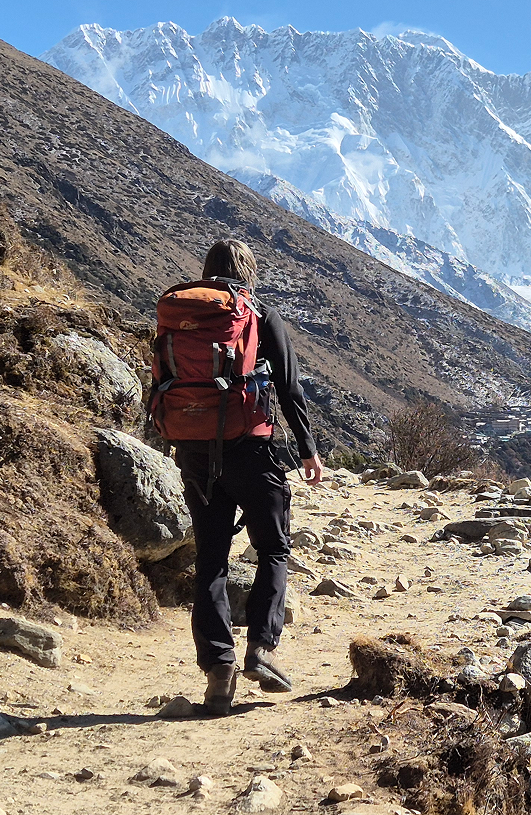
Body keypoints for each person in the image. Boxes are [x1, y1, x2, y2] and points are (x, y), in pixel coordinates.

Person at [170, 239, 323, 715]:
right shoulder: (258, 314)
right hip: (250, 450)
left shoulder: (180, 315)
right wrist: (308, 450)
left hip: (195, 453)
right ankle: (261, 648)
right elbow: (289, 387)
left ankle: (219, 671)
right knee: (274, 547)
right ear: (248, 273)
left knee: (211, 558)